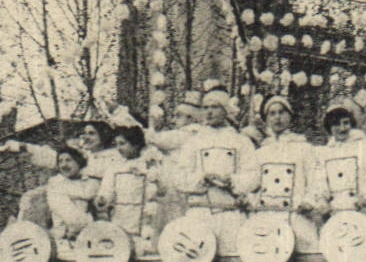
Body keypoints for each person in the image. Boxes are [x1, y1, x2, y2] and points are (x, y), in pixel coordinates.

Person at [172, 87, 256, 253]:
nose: (209, 112)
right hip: (200, 212)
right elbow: (179, 177)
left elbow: (253, 175)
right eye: (206, 108)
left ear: (225, 110)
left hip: (231, 214)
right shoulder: (193, 142)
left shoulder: (241, 142)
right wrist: (202, 178)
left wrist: (232, 181)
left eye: (214, 107)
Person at [239, 95, 322, 250]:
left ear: (290, 116)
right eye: (272, 113)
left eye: (282, 112)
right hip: (266, 217)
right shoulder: (261, 152)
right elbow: (253, 184)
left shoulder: (304, 148)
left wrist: (309, 201)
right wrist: (248, 199)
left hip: (296, 215)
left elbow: (316, 180)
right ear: (266, 120)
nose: (277, 117)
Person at [313, 98, 366, 243]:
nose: (342, 128)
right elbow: (320, 180)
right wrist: (322, 201)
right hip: (336, 212)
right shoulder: (324, 152)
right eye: (336, 124)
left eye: (345, 123)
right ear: (329, 127)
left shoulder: (365, 145)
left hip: (362, 209)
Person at [92, 124, 165, 253]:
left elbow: (161, 190)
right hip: (122, 218)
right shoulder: (114, 168)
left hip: (145, 221)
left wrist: (150, 175)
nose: (119, 148)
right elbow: (106, 190)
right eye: (117, 144)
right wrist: (102, 199)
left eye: (123, 143)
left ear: (135, 144)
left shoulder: (149, 164)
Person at [43, 146, 97, 247]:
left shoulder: (91, 182)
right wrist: (93, 220)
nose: (64, 165)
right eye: (60, 161)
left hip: (92, 236)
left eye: (68, 160)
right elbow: (71, 217)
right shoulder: (56, 184)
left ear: (78, 161)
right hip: (65, 239)